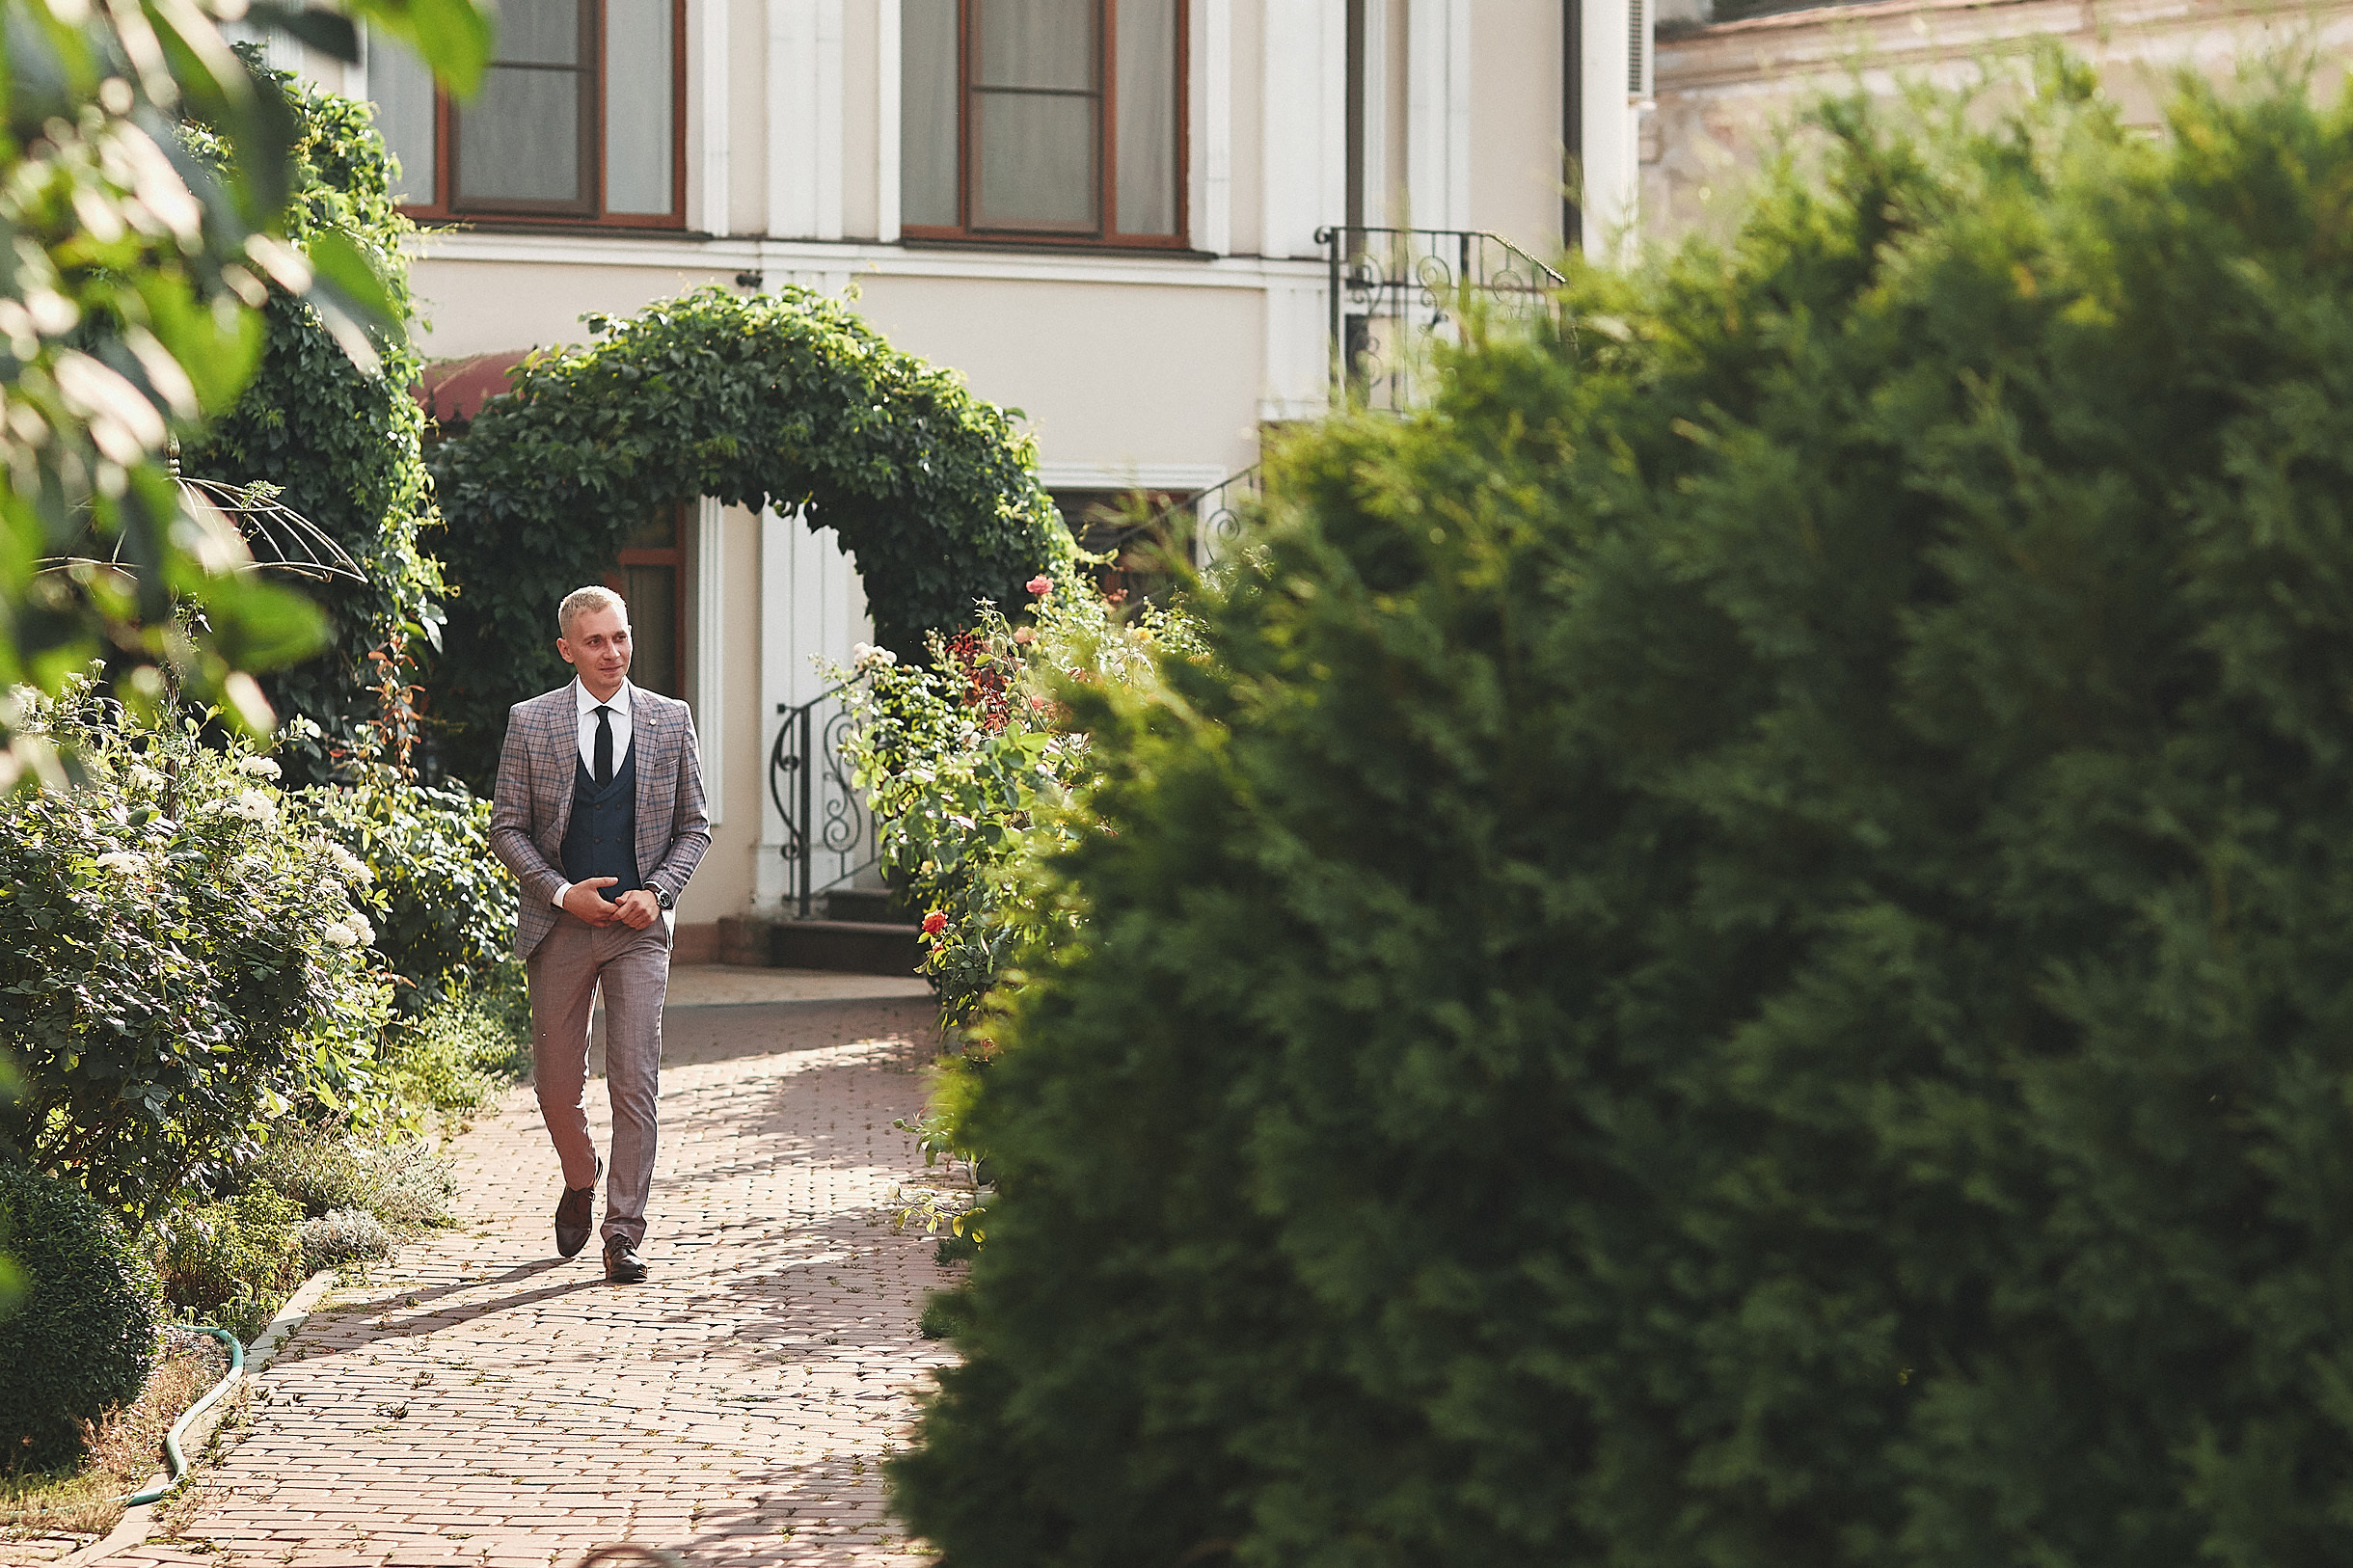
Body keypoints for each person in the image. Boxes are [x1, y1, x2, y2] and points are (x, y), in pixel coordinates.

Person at [488, 585, 711, 1284]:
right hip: (560, 926)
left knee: (635, 1082)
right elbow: (508, 828)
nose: (612, 653)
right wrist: (560, 892)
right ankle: (580, 1176)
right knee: (556, 1086)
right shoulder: (532, 722)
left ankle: (623, 1233)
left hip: (639, 931)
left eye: (620, 637)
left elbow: (693, 827)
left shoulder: (671, 721)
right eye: (595, 642)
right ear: (567, 649)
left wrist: (659, 893)